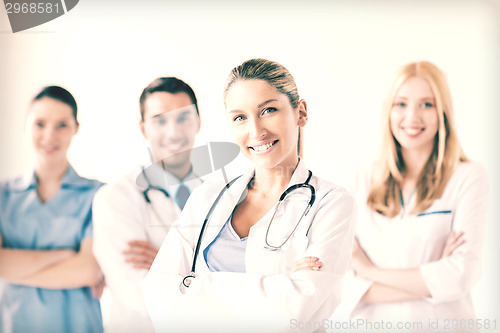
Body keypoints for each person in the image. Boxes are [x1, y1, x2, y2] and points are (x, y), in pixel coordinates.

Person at [142, 58, 356, 333]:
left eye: (268, 110)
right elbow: (158, 295)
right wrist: (279, 284)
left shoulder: (332, 203)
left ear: (300, 112)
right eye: (240, 117)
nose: (256, 131)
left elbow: (296, 310)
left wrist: (192, 286)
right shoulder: (207, 197)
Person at [341, 61, 488, 329]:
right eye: (401, 104)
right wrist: (434, 278)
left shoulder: (467, 176)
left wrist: (370, 272)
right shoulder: (361, 180)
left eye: (427, 104)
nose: (412, 117)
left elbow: (461, 275)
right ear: (389, 110)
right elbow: (342, 285)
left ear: (443, 112)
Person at [92, 77, 202, 332]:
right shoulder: (116, 198)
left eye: (183, 117)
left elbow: (242, 281)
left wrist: (166, 265)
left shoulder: (223, 195)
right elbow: (142, 295)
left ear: (198, 120)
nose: (173, 131)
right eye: (160, 120)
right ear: (144, 129)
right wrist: (204, 278)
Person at [0, 86, 104, 333]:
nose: (49, 135)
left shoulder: (97, 194)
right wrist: (66, 254)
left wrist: (11, 269)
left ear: (75, 128)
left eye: (62, 125)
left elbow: (89, 270)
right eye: (40, 124)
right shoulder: (3, 196)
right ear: (25, 125)